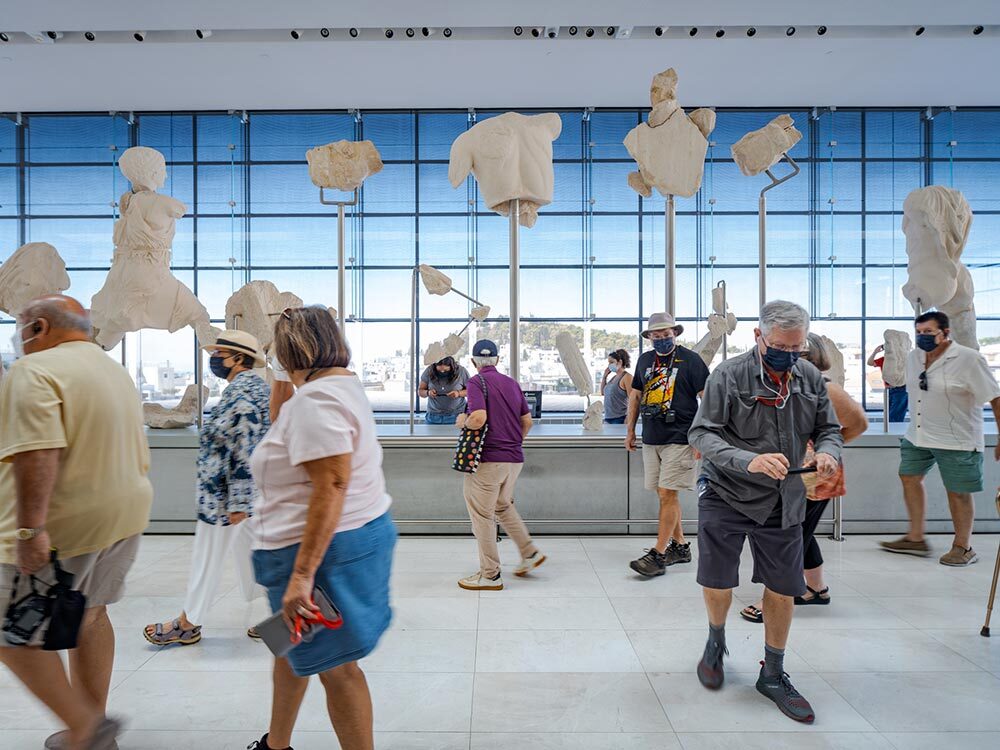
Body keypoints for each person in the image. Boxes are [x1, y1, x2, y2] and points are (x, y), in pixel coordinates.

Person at [0, 295, 153, 750]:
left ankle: (85, 727)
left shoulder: (33, 371)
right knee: (89, 614)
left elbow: (38, 452)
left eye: (21, 327)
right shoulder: (112, 369)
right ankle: (92, 723)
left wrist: (29, 530)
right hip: (122, 518)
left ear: (39, 328)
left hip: (67, 525)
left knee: (13, 636)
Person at [247, 306, 396, 750]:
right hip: (328, 549)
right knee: (287, 645)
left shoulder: (316, 401)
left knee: (338, 669)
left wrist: (301, 576)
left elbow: (331, 483)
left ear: (293, 351)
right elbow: (285, 423)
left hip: (320, 560)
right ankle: (277, 743)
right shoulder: (336, 388)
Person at [688, 300, 842, 724]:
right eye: (780, 347)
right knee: (718, 578)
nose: (789, 356)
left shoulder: (809, 376)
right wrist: (747, 459)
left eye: (797, 348)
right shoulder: (729, 375)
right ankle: (715, 640)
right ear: (759, 337)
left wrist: (828, 451)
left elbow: (829, 428)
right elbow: (702, 431)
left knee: (783, 584)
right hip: (727, 492)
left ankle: (772, 672)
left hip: (784, 499)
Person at [144, 330, 271, 646]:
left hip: (225, 498)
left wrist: (239, 501)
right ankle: (286, 612)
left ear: (238, 358)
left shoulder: (244, 394)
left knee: (207, 557)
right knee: (257, 554)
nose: (214, 360)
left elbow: (246, 446)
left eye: (219, 354)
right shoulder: (249, 389)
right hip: (237, 495)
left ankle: (188, 623)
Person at [741, 333, 868, 623]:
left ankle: (771, 600)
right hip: (786, 475)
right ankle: (816, 588)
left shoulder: (825, 389)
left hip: (812, 477)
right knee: (800, 533)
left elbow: (858, 423)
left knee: (788, 538)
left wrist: (824, 449)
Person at [880, 311, 1000, 566]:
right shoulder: (914, 357)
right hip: (918, 434)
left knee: (958, 492)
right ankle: (915, 538)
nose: (923, 337)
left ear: (946, 333)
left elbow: (995, 398)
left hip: (957, 438)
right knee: (909, 476)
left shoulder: (969, 359)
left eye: (929, 333)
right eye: (919, 332)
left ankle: (963, 546)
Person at [456, 339, 545, 591]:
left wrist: (463, 420)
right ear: (497, 360)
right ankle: (529, 553)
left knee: (482, 516)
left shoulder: (475, 382)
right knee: (502, 506)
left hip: (488, 460)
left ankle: (490, 574)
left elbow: (478, 418)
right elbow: (526, 422)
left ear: (473, 362)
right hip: (513, 459)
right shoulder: (512, 383)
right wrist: (512, 443)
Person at [625, 313, 709, 576]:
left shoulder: (692, 361)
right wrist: (630, 430)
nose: (661, 339)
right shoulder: (645, 360)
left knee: (666, 494)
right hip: (652, 436)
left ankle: (658, 555)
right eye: (656, 336)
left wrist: (701, 436)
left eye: (666, 335)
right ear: (649, 337)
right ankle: (681, 546)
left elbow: (706, 399)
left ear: (676, 333)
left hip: (681, 436)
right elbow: (636, 396)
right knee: (664, 495)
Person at [418, 356, 470, 425]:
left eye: (446, 371)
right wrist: (428, 392)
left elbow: (471, 391)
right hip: (433, 416)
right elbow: (420, 391)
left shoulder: (462, 371)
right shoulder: (429, 370)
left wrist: (458, 393)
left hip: (456, 416)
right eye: (439, 371)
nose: (442, 372)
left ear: (452, 366)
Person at [868, 343, 908, 422]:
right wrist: (875, 352)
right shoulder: (884, 359)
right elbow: (870, 363)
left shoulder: (902, 359)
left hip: (901, 389)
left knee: (894, 418)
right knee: (889, 418)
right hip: (888, 390)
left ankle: (896, 434)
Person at [601, 349, 633, 424]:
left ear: (620, 362)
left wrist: (628, 417)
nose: (609, 365)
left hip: (620, 418)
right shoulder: (613, 378)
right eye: (608, 363)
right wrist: (604, 377)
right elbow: (603, 393)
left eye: (611, 362)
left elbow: (632, 399)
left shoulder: (627, 377)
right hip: (608, 418)